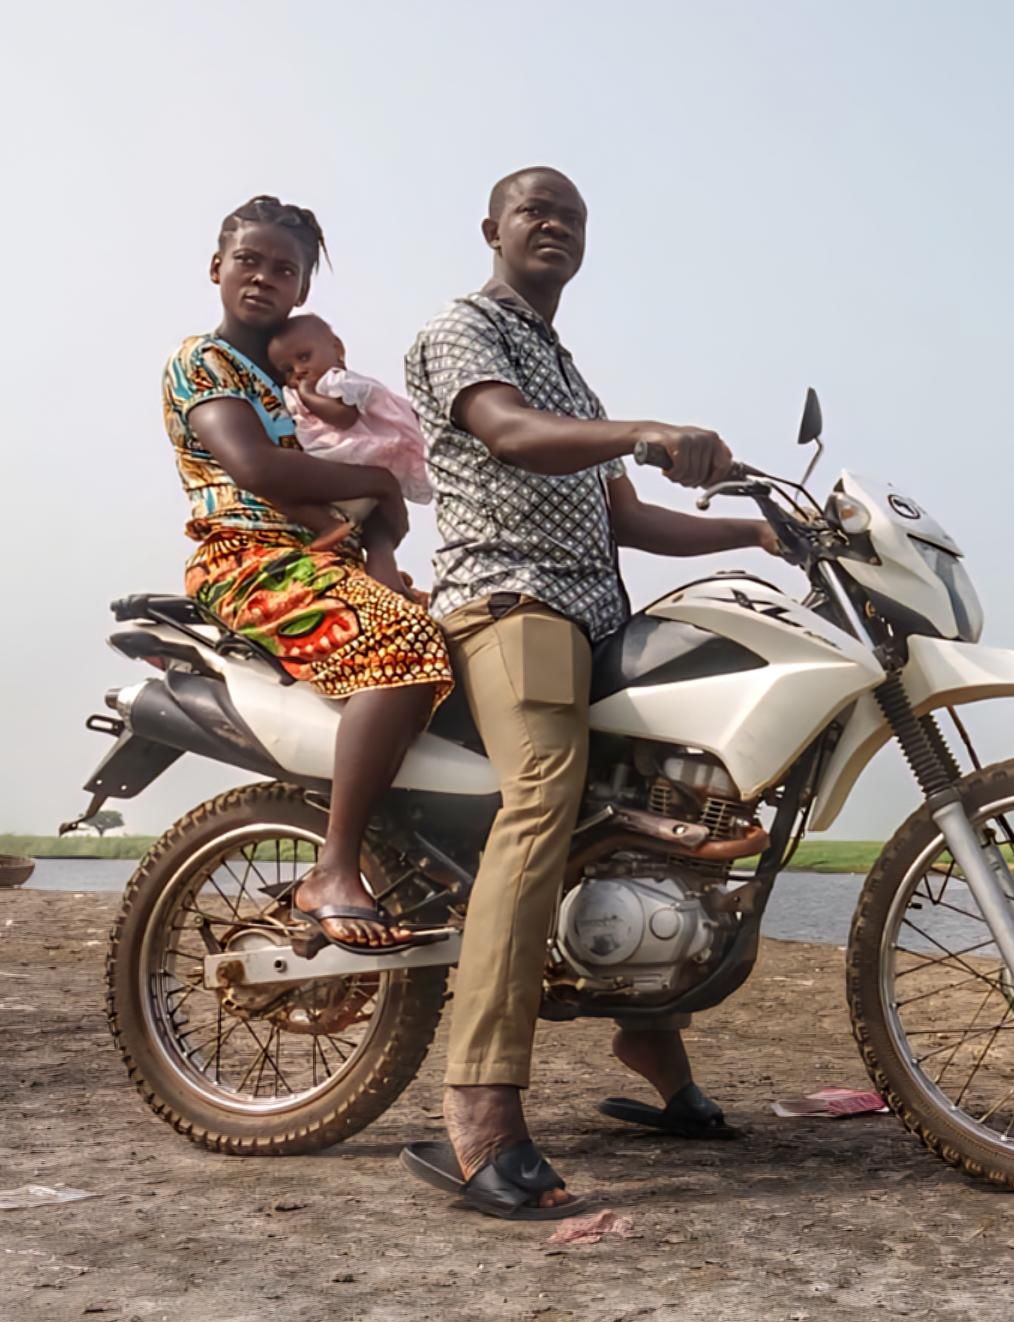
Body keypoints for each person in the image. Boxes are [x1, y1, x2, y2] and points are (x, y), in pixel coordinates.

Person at [396, 166, 780, 1219]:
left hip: (593, 614)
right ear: (494, 229)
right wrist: (647, 432)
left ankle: (653, 1044)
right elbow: (508, 433)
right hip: (510, 602)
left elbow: (628, 521)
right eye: (536, 211)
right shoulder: (461, 328)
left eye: (570, 215)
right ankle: (477, 1109)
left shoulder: (573, 376)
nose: (554, 225)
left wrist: (759, 530)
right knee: (545, 797)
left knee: (658, 810)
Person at [163, 196, 452, 954]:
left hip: (330, 560)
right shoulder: (206, 362)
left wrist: (383, 539)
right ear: (216, 268)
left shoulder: (303, 385)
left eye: (282, 268)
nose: (263, 277)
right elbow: (255, 468)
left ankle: (419, 858)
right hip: (248, 561)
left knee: (467, 645)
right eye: (249, 261)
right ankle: (333, 866)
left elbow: (379, 503)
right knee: (402, 646)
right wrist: (378, 490)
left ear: (301, 291)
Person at [266, 314, 434, 592]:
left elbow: (343, 417)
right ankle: (392, 586)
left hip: (345, 464)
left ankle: (327, 526)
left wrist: (308, 396)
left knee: (279, 488)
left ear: (338, 350)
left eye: (305, 358)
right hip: (359, 486)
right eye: (287, 369)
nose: (298, 371)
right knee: (377, 541)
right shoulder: (302, 389)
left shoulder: (334, 382)